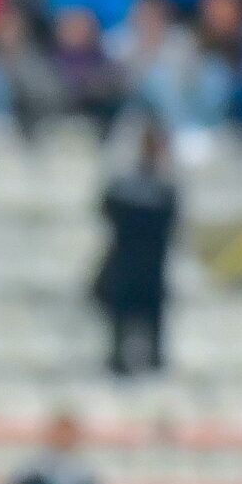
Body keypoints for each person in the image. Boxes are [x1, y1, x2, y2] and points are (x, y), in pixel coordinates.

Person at [93, 121, 178, 377]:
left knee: (149, 342)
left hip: (141, 271)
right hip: (135, 271)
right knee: (122, 339)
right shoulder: (158, 190)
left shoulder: (151, 189)